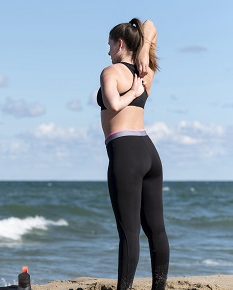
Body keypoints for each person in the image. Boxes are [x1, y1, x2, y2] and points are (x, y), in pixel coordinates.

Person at [97, 19, 169, 290]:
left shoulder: (111, 71)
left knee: (129, 233)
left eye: (109, 46)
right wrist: (144, 50)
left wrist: (131, 94)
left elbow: (113, 104)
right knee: (156, 230)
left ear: (120, 43)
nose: (108, 52)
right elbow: (150, 25)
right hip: (149, 153)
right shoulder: (145, 70)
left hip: (125, 152)